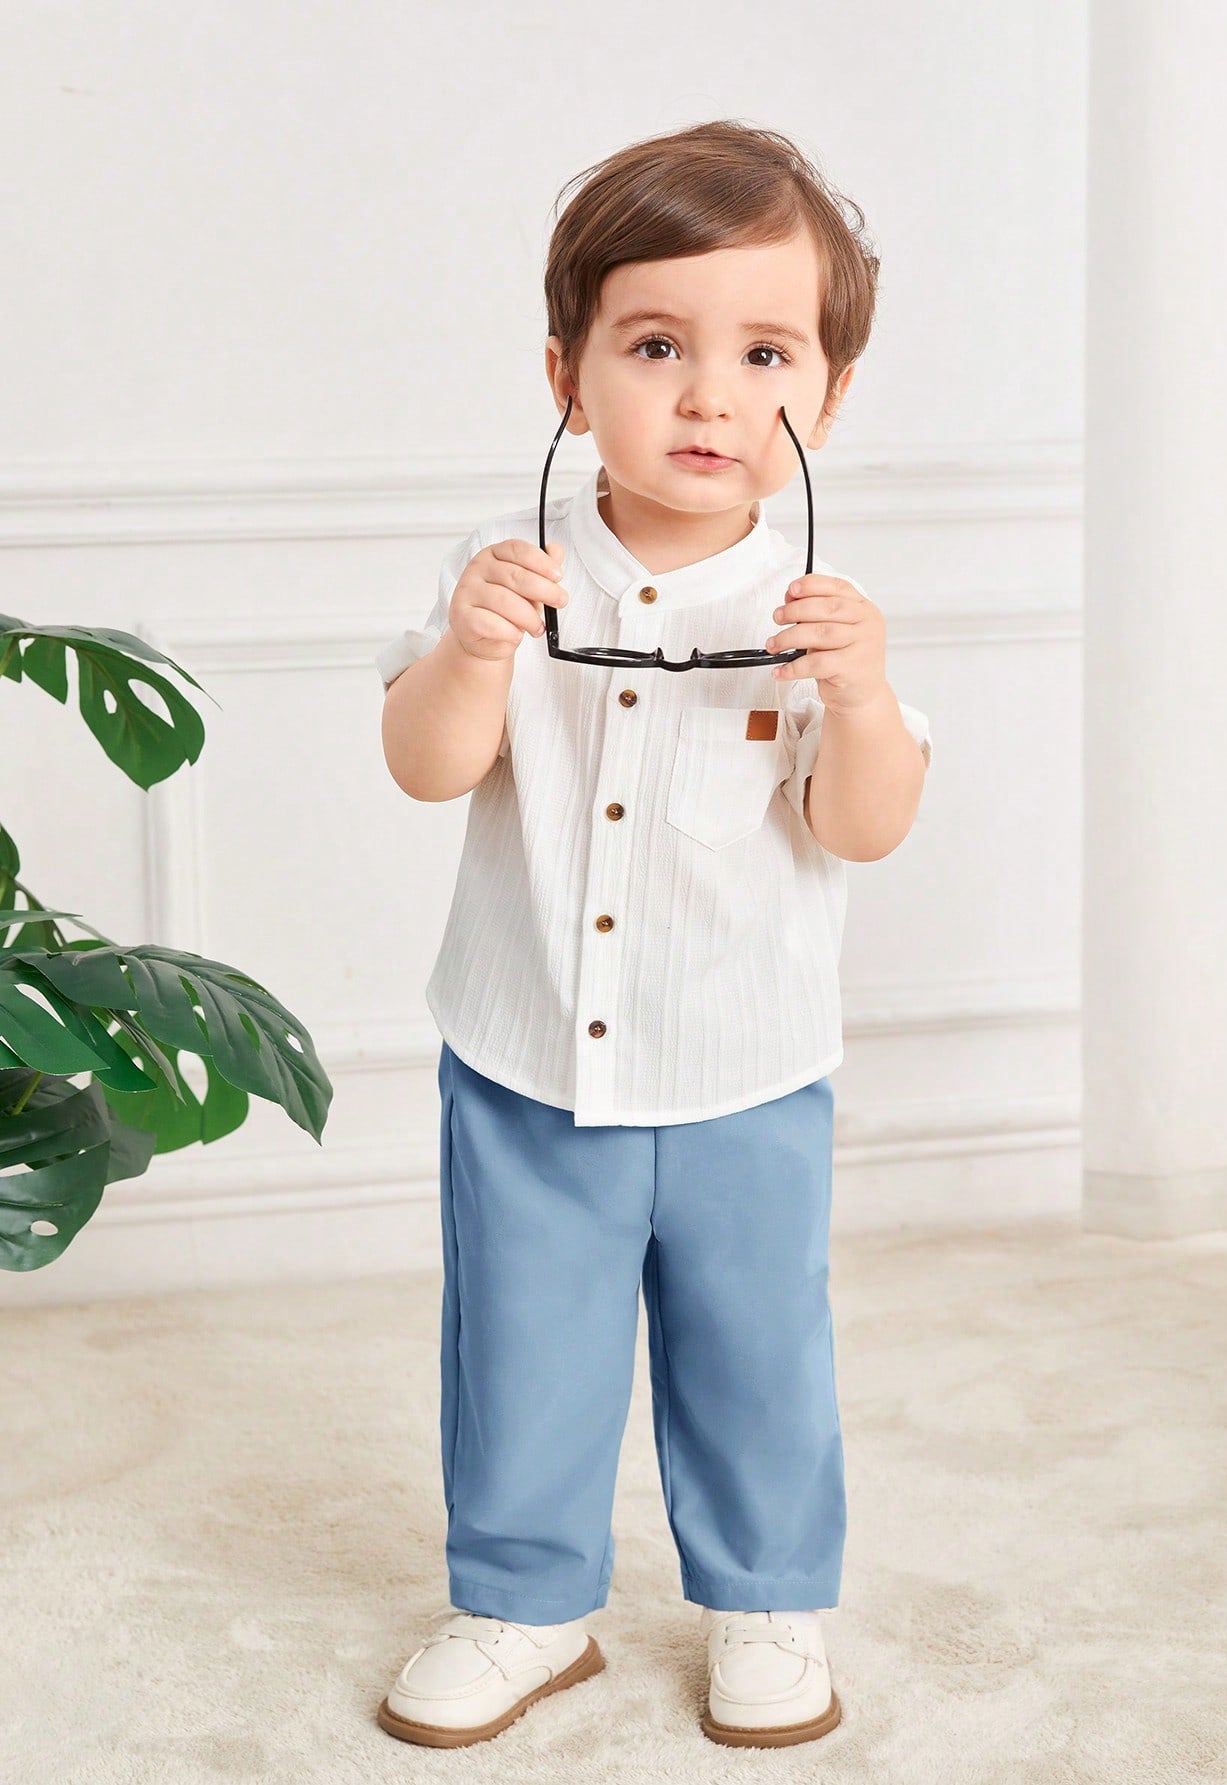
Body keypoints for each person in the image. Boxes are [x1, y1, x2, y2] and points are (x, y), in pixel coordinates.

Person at [372, 118, 932, 1752]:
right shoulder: (510, 575)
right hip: (530, 1055)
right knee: (522, 1345)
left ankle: (766, 1598)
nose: (708, 396)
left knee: (758, 1347)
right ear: (568, 376)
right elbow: (427, 766)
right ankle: (523, 1603)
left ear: (826, 396)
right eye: (656, 345)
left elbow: (862, 824)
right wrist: (472, 653)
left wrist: (861, 699)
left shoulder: (818, 612)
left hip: (745, 1068)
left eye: (765, 354)